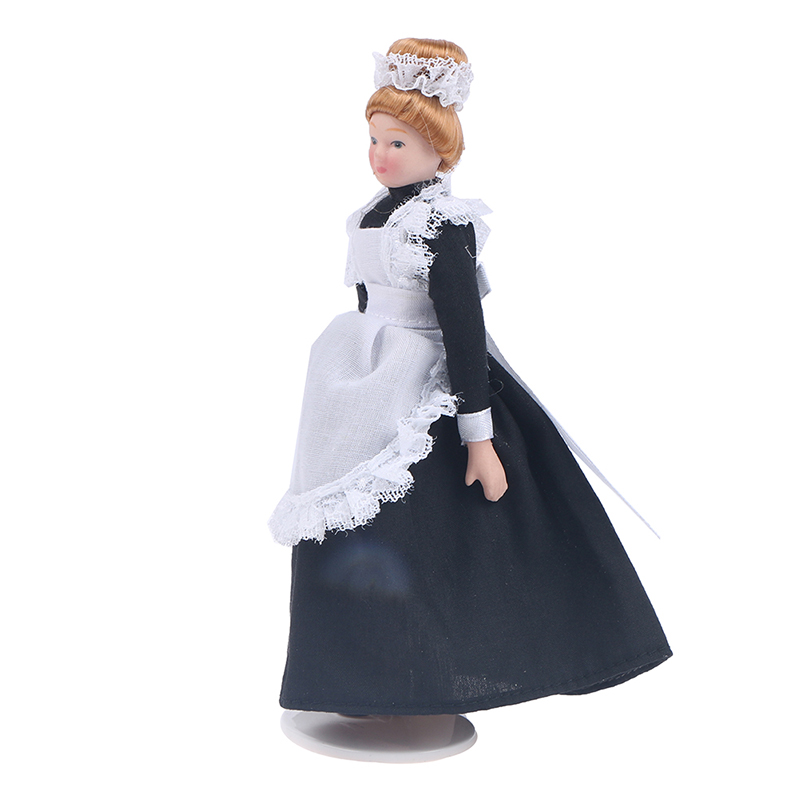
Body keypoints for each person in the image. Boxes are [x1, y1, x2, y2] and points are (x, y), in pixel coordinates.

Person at [271, 38, 671, 730]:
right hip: (357, 381)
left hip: (424, 387)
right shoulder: (371, 214)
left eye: (397, 143)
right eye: (374, 140)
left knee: (419, 535)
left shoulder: (442, 224)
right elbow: (367, 298)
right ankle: (350, 675)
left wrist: (479, 439)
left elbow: (463, 330)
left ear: (440, 150)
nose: (380, 155)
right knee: (345, 519)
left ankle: (424, 682)